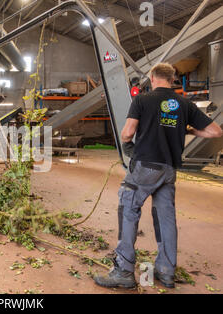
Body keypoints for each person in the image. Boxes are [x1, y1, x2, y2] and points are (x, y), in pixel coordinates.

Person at [94, 63, 223, 289]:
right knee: (165, 218)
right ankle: (166, 272)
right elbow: (215, 131)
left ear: (152, 77)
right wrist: (188, 129)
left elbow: (127, 132)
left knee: (128, 207)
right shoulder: (185, 104)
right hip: (169, 169)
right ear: (172, 79)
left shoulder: (143, 100)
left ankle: (123, 271)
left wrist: (127, 145)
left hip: (146, 165)